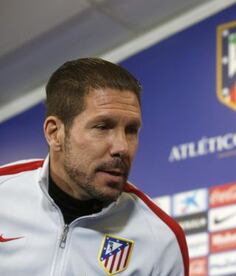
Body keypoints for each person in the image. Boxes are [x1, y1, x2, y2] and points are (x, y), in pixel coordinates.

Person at [0, 58, 189, 276]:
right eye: (102, 127)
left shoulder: (160, 240)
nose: (122, 147)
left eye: (131, 130)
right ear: (55, 133)